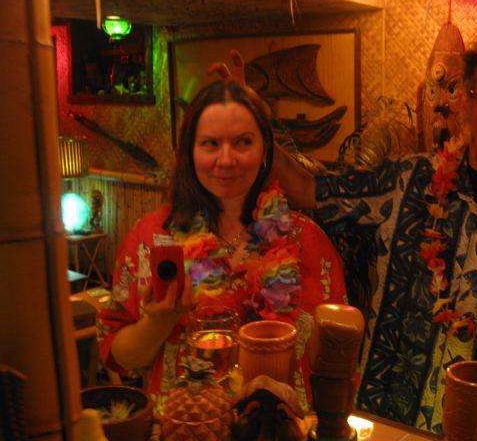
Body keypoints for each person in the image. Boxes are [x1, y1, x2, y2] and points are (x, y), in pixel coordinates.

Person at [268, 33, 477, 440]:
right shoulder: (407, 181)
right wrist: (251, 121)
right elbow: (306, 189)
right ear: (467, 103)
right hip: (399, 405)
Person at [97, 80, 346, 413]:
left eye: (243, 142)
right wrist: (162, 320)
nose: (226, 160)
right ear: (190, 153)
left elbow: (334, 361)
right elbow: (122, 358)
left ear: (265, 152)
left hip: (279, 428)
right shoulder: (152, 237)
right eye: (211, 143)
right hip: (186, 427)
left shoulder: (308, 240)